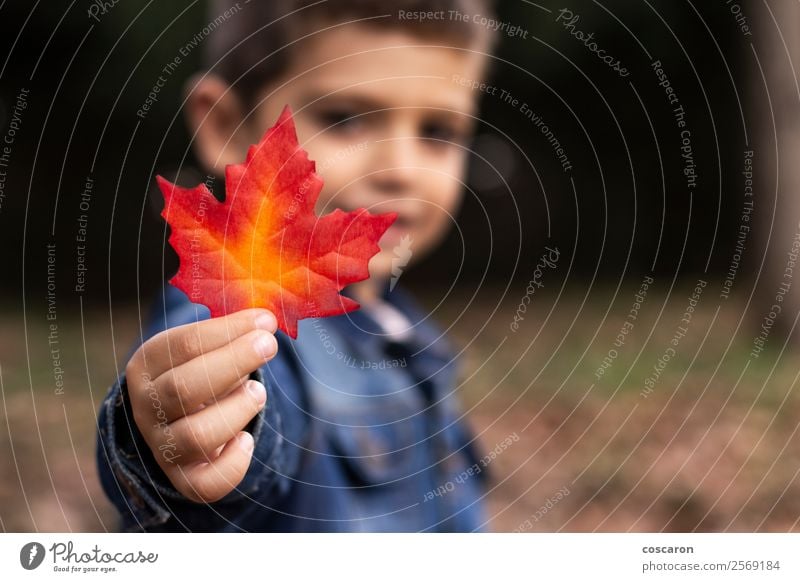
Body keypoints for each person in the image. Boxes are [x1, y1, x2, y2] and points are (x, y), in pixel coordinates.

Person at [96, 0, 498, 532]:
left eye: (439, 132)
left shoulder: (405, 330)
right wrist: (178, 442)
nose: (401, 169)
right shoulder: (238, 321)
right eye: (345, 119)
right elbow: (247, 422)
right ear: (226, 125)